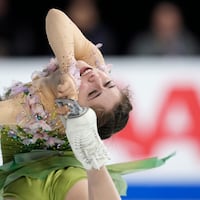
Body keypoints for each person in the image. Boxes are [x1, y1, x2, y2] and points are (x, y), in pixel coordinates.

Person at [0, 8, 173, 200]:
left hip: (60, 173)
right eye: (108, 83)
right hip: (22, 179)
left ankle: (92, 155)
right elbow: (55, 16)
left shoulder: (40, 113)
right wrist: (68, 69)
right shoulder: (93, 64)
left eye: (92, 93)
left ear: (76, 112)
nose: (96, 78)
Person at [127, 1, 200, 56]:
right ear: (155, 23)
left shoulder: (190, 44)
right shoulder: (142, 45)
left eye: (171, 27)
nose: (167, 32)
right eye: (163, 27)